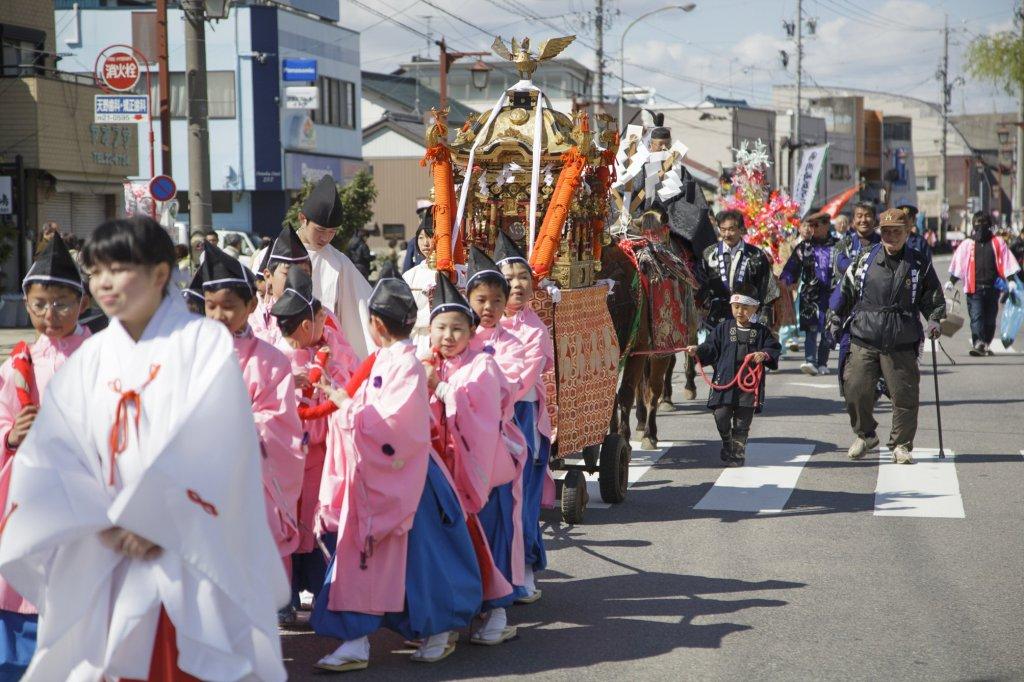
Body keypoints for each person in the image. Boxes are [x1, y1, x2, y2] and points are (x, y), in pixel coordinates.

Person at [0, 216, 288, 680]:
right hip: (104, 540)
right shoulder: (90, 359)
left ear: (159, 274)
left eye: (119, 269)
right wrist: (98, 519)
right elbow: (54, 453)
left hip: (185, 541)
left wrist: (155, 519)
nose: (105, 283)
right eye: (97, 272)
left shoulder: (203, 344)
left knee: (184, 659)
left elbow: (218, 437)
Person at [311, 276, 481, 671]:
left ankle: (433, 630)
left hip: (406, 476)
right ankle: (357, 639)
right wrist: (341, 399)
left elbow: (392, 428)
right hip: (386, 475)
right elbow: (371, 414)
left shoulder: (404, 364)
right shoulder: (393, 360)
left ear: (377, 324)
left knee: (422, 559)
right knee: (376, 559)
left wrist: (343, 404)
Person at [0, 234, 90, 677]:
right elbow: (1, 423)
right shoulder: (14, 366)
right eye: (38, 304)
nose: (48, 315)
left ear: (83, 302)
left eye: (60, 303)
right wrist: (11, 438)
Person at [186, 244, 305, 571]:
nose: (217, 315)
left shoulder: (271, 361)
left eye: (228, 306)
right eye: (210, 306)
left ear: (251, 304)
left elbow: (280, 425)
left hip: (251, 477)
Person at [424, 273, 520, 646]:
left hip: (482, 470)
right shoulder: (427, 360)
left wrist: (438, 387)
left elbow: (478, 409)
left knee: (487, 540)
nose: (448, 337)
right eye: (441, 328)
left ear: (470, 330)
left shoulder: (483, 364)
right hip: (443, 472)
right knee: (450, 544)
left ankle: (499, 611)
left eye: (457, 329)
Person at [270, 265, 357, 625]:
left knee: (321, 523)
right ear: (306, 325)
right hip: (288, 456)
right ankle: (283, 598)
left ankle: (325, 595)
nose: (327, 324)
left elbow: (349, 384)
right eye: (321, 318)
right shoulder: (277, 356)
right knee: (286, 525)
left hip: (324, 456)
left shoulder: (334, 346)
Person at [829, 208, 945, 464]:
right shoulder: (864, 260)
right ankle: (865, 434)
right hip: (865, 335)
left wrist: (935, 320)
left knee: (904, 395)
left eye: (897, 231)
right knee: (855, 388)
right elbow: (844, 291)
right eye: (887, 231)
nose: (891, 236)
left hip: (902, 338)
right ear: (881, 233)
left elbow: (933, 297)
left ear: (907, 232)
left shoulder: (918, 263)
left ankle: (901, 444)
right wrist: (835, 317)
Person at [464, 247, 529, 611]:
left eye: (496, 300)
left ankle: (501, 598)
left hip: (498, 442)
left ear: (506, 304)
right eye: (481, 300)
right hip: (458, 445)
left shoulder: (512, 344)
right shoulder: (458, 336)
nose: (488, 308)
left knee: (500, 520)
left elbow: (507, 389)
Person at [495, 232, 555, 602]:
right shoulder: (483, 323)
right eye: (510, 278)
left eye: (524, 278)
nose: (518, 285)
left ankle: (527, 568)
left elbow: (521, 380)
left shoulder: (535, 328)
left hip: (522, 416)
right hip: (485, 418)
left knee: (523, 503)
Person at [684, 283, 780, 467]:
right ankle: (727, 441)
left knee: (743, 423)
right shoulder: (723, 328)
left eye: (745, 308)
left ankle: (737, 454)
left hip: (748, 386)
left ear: (755, 308)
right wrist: (697, 350)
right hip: (725, 381)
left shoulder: (761, 331)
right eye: (736, 307)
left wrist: (764, 354)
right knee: (721, 416)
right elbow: (711, 347)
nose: (740, 312)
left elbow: (773, 348)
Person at [295, 175, 376, 359]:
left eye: (332, 232)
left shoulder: (339, 262)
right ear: (302, 219)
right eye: (320, 230)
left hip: (328, 351)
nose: (325, 238)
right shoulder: (278, 254)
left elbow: (365, 304)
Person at [947, 212, 1021, 356]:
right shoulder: (968, 244)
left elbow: (1006, 262)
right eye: (978, 225)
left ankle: (985, 343)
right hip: (974, 290)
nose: (981, 228)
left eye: (984, 224)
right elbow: (959, 265)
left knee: (990, 320)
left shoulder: (997, 242)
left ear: (989, 226)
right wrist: (951, 281)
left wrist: (1011, 280)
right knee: (977, 317)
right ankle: (978, 343)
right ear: (974, 227)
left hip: (993, 288)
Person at [830, 201, 881, 395]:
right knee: (846, 349)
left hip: (877, 308)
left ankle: (875, 388)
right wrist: (869, 267)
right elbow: (842, 264)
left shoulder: (883, 241)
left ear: (874, 219)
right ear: (853, 221)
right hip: (848, 309)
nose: (863, 220)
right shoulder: (845, 243)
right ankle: (847, 389)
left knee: (876, 353)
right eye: (859, 215)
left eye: (867, 215)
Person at [781, 210, 840, 376]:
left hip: (832, 294)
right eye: (810, 225)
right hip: (810, 295)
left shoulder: (838, 245)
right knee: (811, 330)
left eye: (816, 224)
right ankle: (810, 361)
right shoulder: (804, 246)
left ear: (827, 224)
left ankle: (822, 362)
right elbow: (792, 266)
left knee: (829, 330)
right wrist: (786, 280)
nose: (813, 228)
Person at [698, 210, 775, 330]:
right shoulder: (709, 254)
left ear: (741, 229)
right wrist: (702, 307)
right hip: (716, 317)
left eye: (731, 229)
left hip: (747, 315)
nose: (727, 234)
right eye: (723, 230)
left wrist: (765, 315)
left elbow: (768, 289)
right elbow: (701, 284)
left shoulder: (756, 255)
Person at [402, 222, 437, 354]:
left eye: (430, 236)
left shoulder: (452, 273)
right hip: (417, 338)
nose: (425, 243)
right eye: (421, 238)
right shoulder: (410, 275)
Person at [403, 200, 434, 273]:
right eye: (422, 217)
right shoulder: (413, 242)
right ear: (419, 220)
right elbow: (407, 267)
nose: (425, 243)